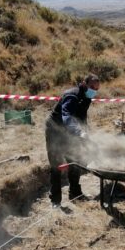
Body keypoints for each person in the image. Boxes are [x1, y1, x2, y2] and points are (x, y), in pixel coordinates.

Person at [45, 74, 101, 208]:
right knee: (56, 164)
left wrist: (86, 133)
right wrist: (80, 133)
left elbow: (81, 118)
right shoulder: (72, 95)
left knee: (75, 161)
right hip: (55, 131)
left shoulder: (87, 97)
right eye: (92, 87)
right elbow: (67, 117)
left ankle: (75, 193)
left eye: (96, 88)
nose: (94, 90)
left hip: (70, 131)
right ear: (84, 83)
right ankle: (55, 200)